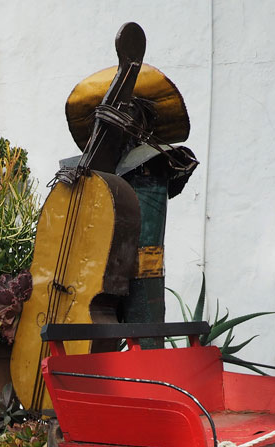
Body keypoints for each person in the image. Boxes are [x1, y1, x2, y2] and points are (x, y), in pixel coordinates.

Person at [63, 62, 198, 343]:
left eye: (128, 112)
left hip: (143, 268)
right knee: (93, 344)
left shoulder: (157, 159)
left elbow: (178, 166)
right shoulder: (88, 170)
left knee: (147, 343)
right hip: (95, 271)